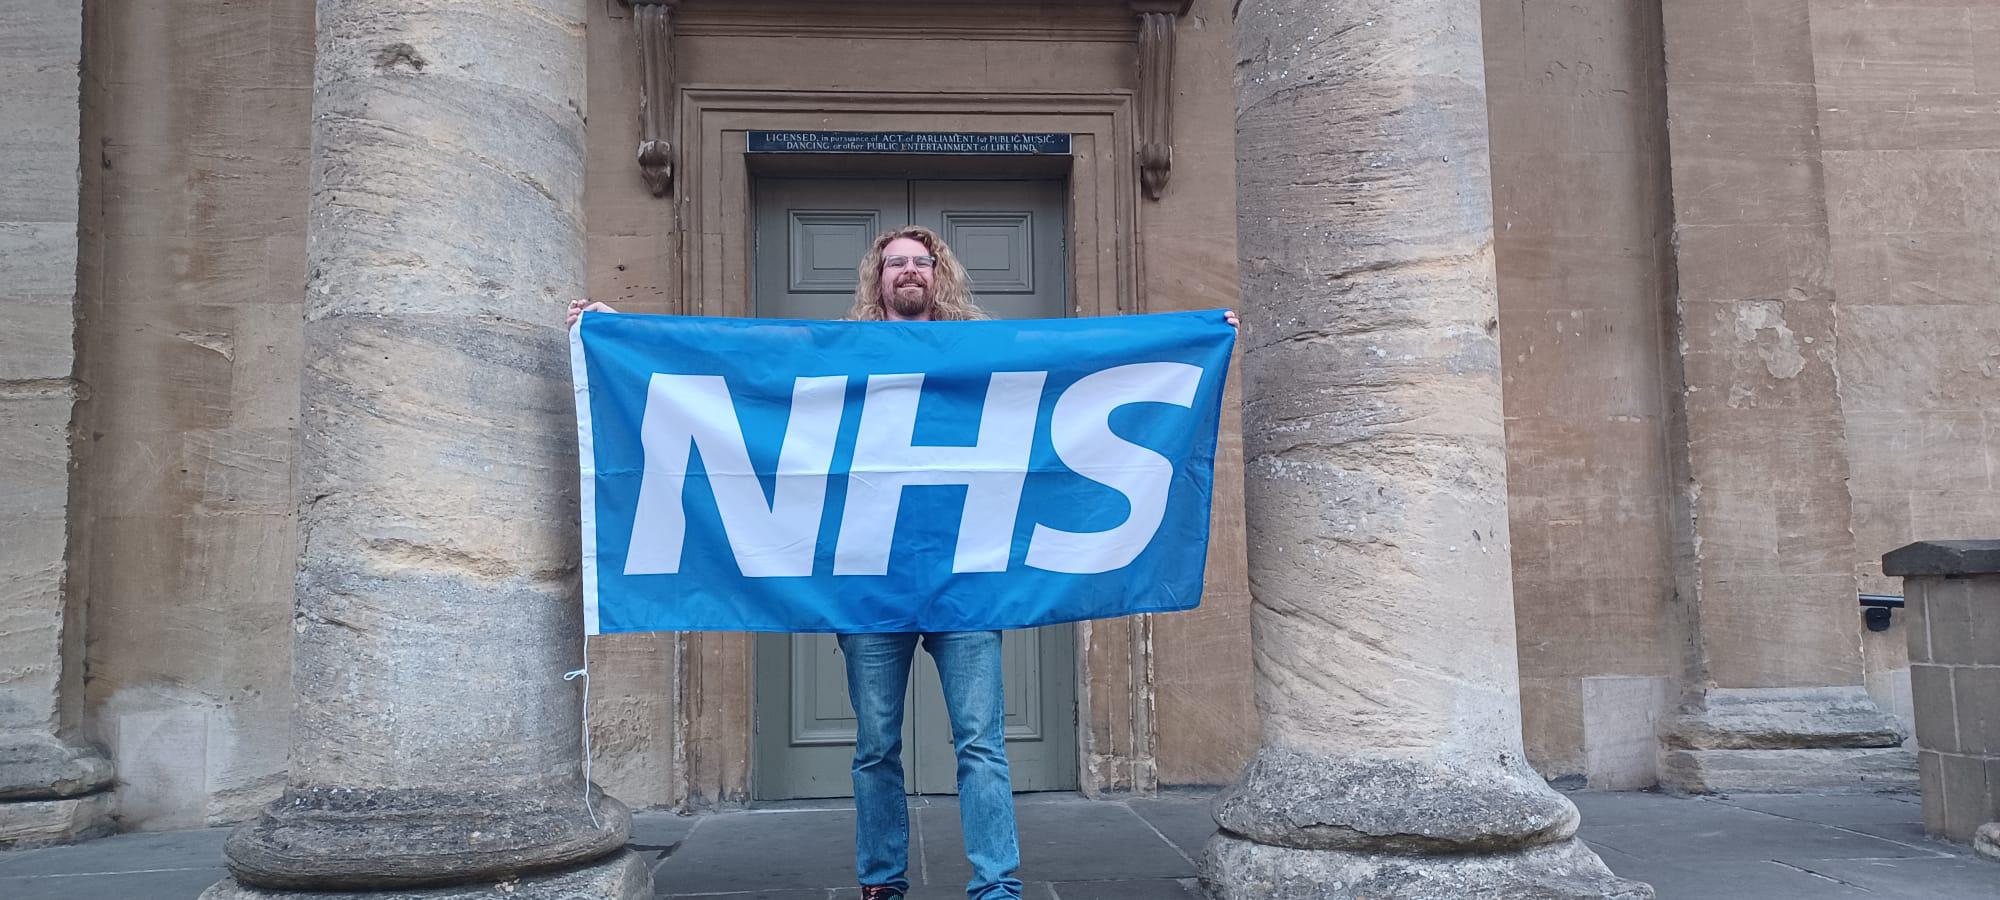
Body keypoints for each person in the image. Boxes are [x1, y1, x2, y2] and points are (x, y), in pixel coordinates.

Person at [567, 226, 1234, 900]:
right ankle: (882, 881)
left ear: (939, 275)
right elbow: (734, 366)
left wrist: (1201, 335)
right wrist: (617, 337)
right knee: (876, 748)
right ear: (877, 279)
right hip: (870, 589)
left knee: (981, 746)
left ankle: (997, 885)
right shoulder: (839, 356)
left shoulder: (981, 353)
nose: (909, 271)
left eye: (922, 261)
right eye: (896, 263)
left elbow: (1086, 359)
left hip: (966, 588)